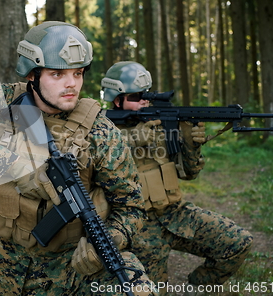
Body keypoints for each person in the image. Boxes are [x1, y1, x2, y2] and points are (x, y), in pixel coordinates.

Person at [0, 22, 157, 296]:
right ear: (32, 75)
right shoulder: (1, 100)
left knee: (138, 291)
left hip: (72, 266)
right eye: (57, 74)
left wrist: (110, 240)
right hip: (7, 263)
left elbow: (132, 206)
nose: (71, 83)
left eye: (77, 73)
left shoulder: (101, 130)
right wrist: (16, 164)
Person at [101, 61, 253, 294]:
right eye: (136, 96)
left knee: (237, 242)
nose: (144, 100)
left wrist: (192, 145)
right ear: (116, 99)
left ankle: (195, 287)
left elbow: (188, 173)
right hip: (136, 226)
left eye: (146, 95)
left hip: (174, 213)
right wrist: (130, 140)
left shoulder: (162, 126)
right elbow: (91, 166)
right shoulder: (102, 131)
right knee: (151, 290)